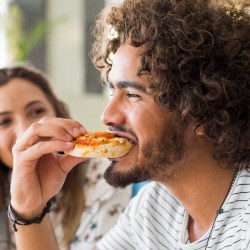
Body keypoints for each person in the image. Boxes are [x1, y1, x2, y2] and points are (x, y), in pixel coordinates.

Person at [8, 0, 250, 249]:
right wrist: (29, 211)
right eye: (113, 91)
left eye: (133, 94)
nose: (107, 116)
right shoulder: (155, 207)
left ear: (202, 110)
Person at [0, 65, 131, 250]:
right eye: (4, 121)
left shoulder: (106, 178)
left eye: (36, 111)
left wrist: (29, 214)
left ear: (57, 114)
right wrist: (25, 210)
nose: (24, 130)